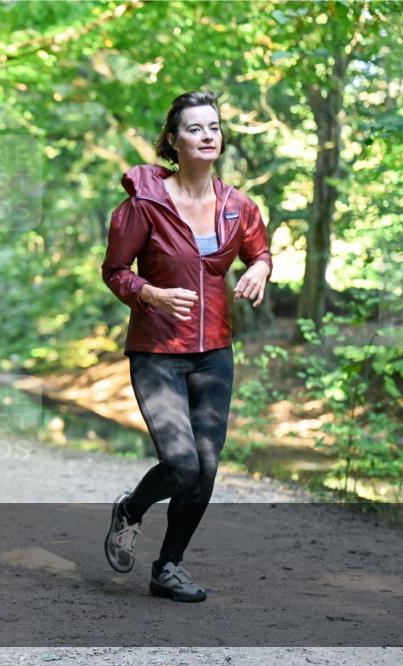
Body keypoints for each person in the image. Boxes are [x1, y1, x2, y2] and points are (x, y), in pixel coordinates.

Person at [101, 91, 272, 603]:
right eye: (195, 128)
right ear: (173, 141)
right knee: (181, 463)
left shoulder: (238, 206)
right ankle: (130, 510)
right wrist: (147, 292)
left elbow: (259, 251)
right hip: (156, 350)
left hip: (214, 352)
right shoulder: (143, 204)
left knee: (207, 466)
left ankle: (168, 566)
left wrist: (260, 267)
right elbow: (114, 272)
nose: (207, 135)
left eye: (214, 126)